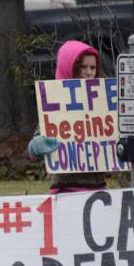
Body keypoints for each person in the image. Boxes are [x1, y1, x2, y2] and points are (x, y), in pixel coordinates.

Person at [28, 40, 108, 194]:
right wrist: (36, 146)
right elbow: (33, 152)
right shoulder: (55, 105)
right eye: (82, 67)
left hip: (97, 188)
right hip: (64, 190)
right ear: (68, 68)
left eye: (93, 67)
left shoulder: (102, 104)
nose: (89, 72)